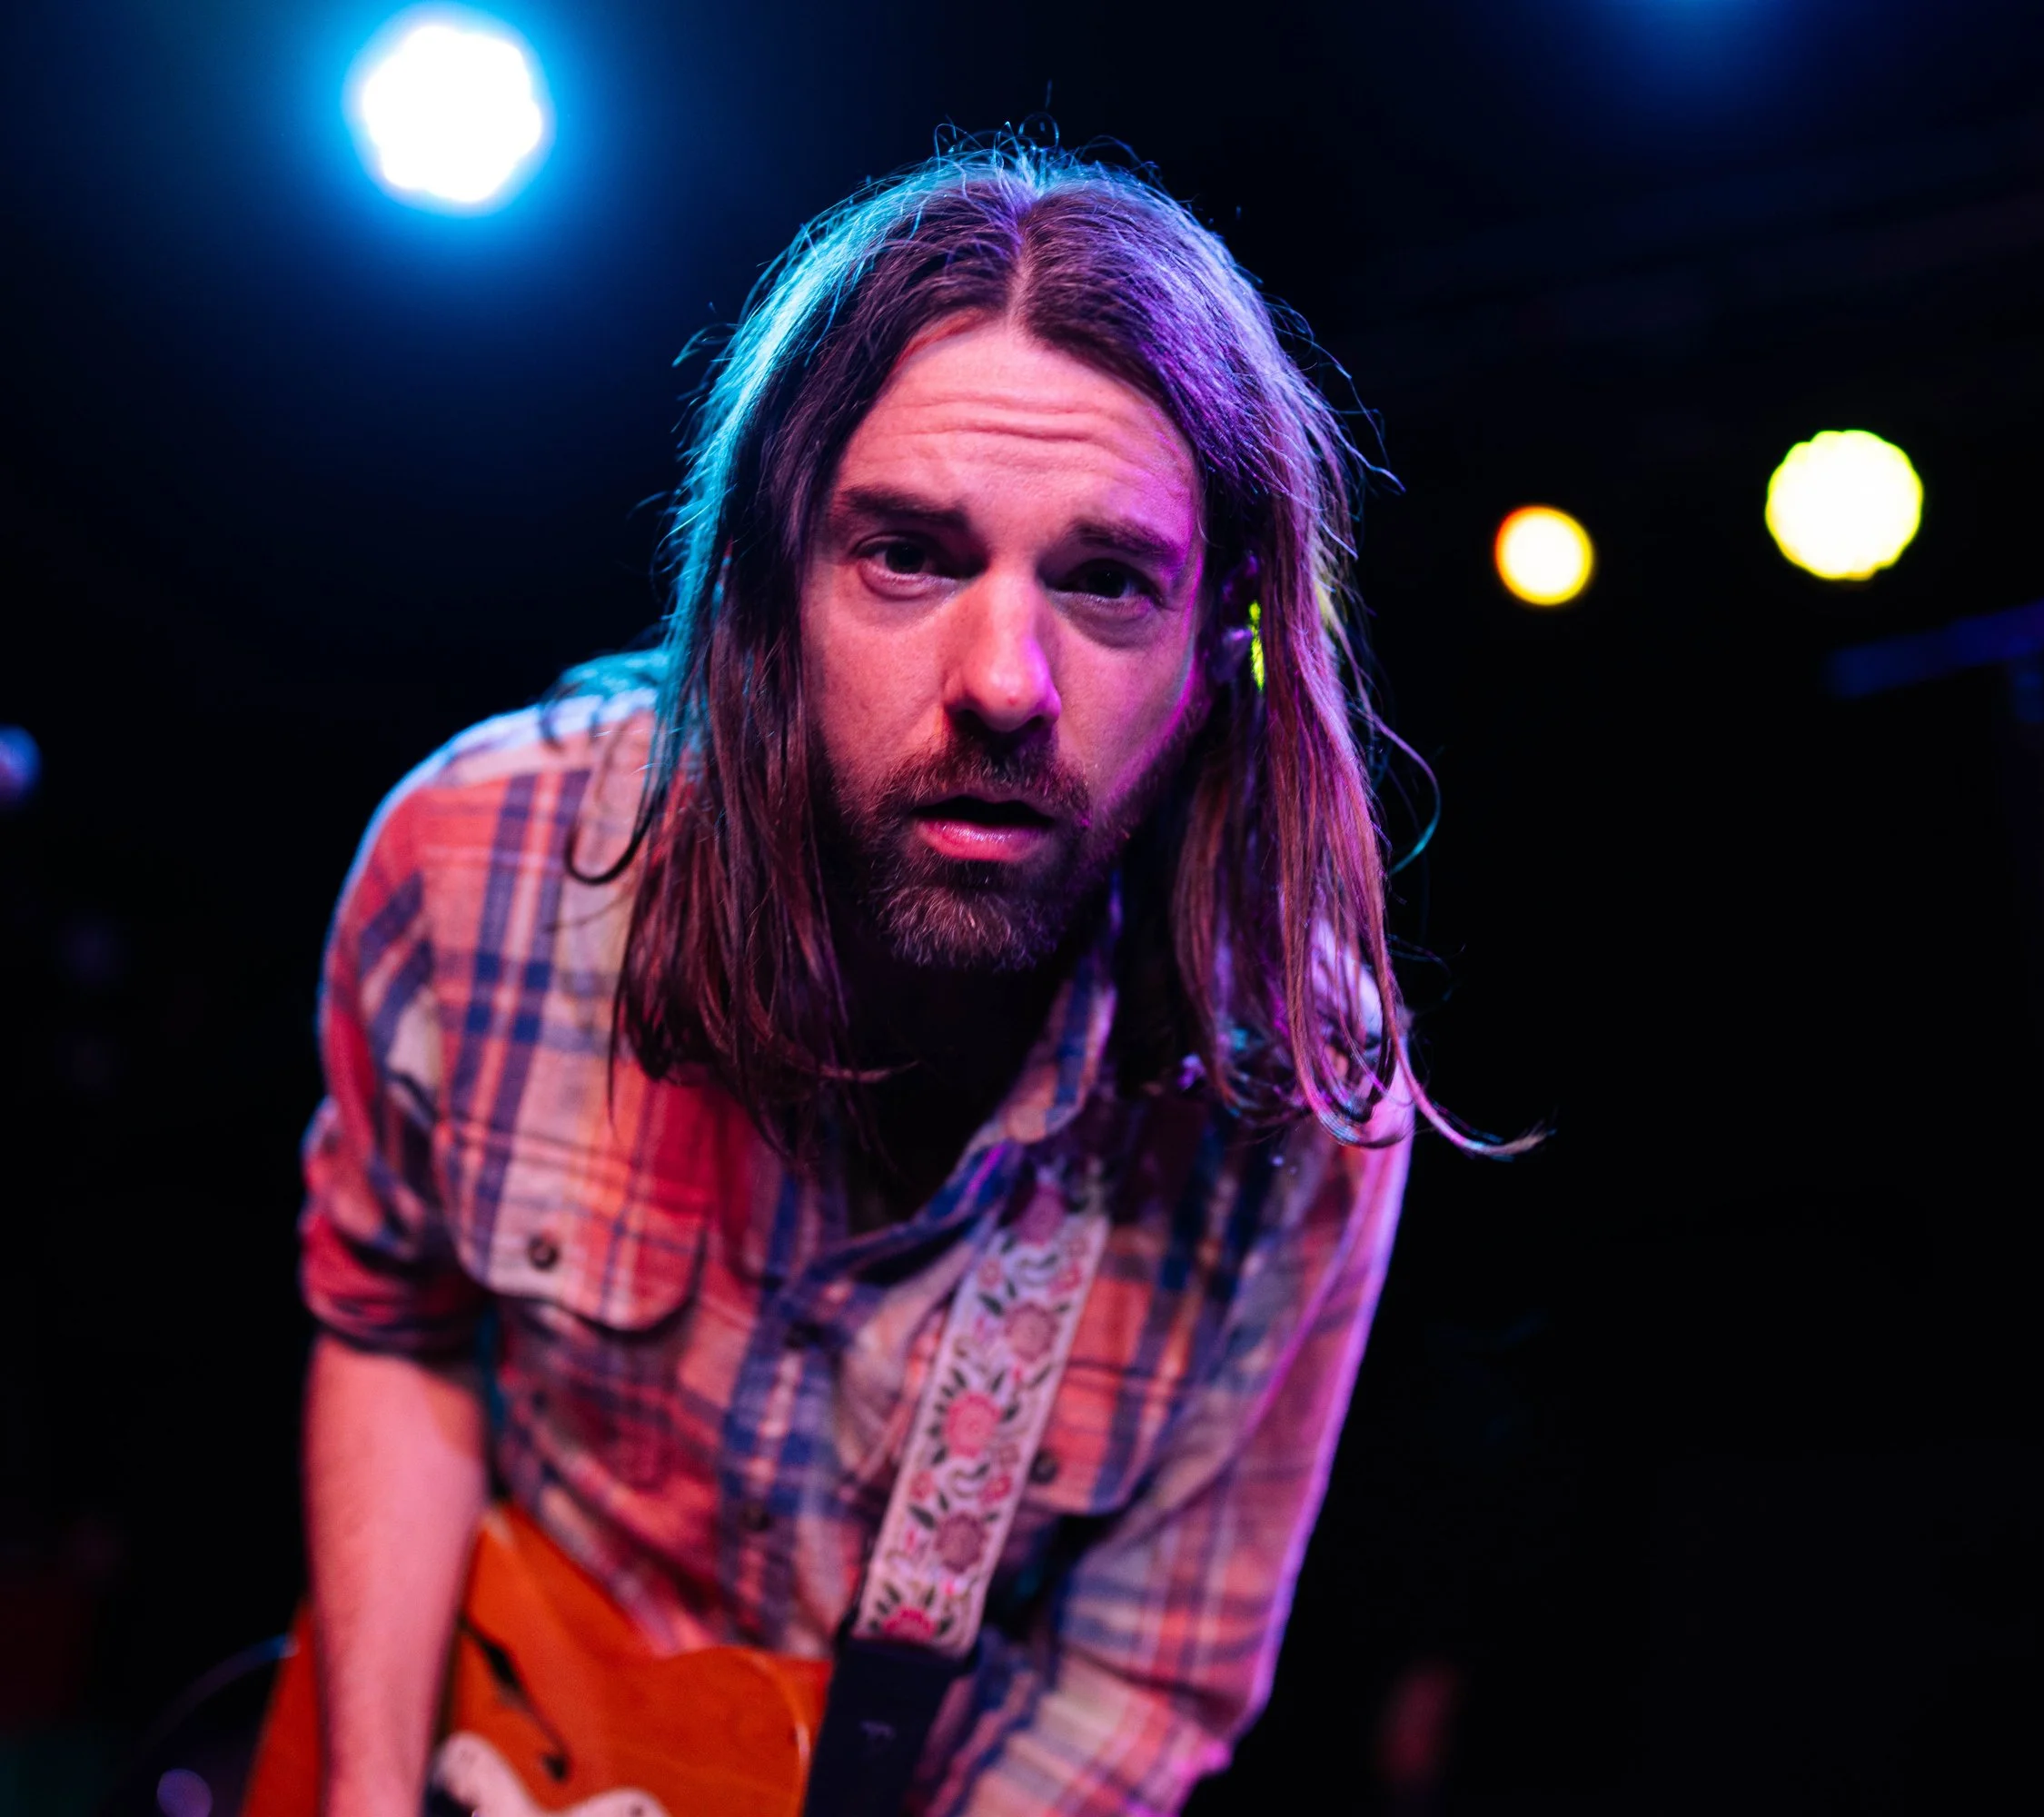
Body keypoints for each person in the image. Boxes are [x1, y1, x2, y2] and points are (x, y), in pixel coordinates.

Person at [297, 141, 1495, 1817]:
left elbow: (1143, 1685)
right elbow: (393, 1334)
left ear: (1220, 638)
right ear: (772, 578)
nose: (1003, 682)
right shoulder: (477, 857)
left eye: (1105, 580)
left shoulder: (1292, 1090)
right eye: (909, 556)